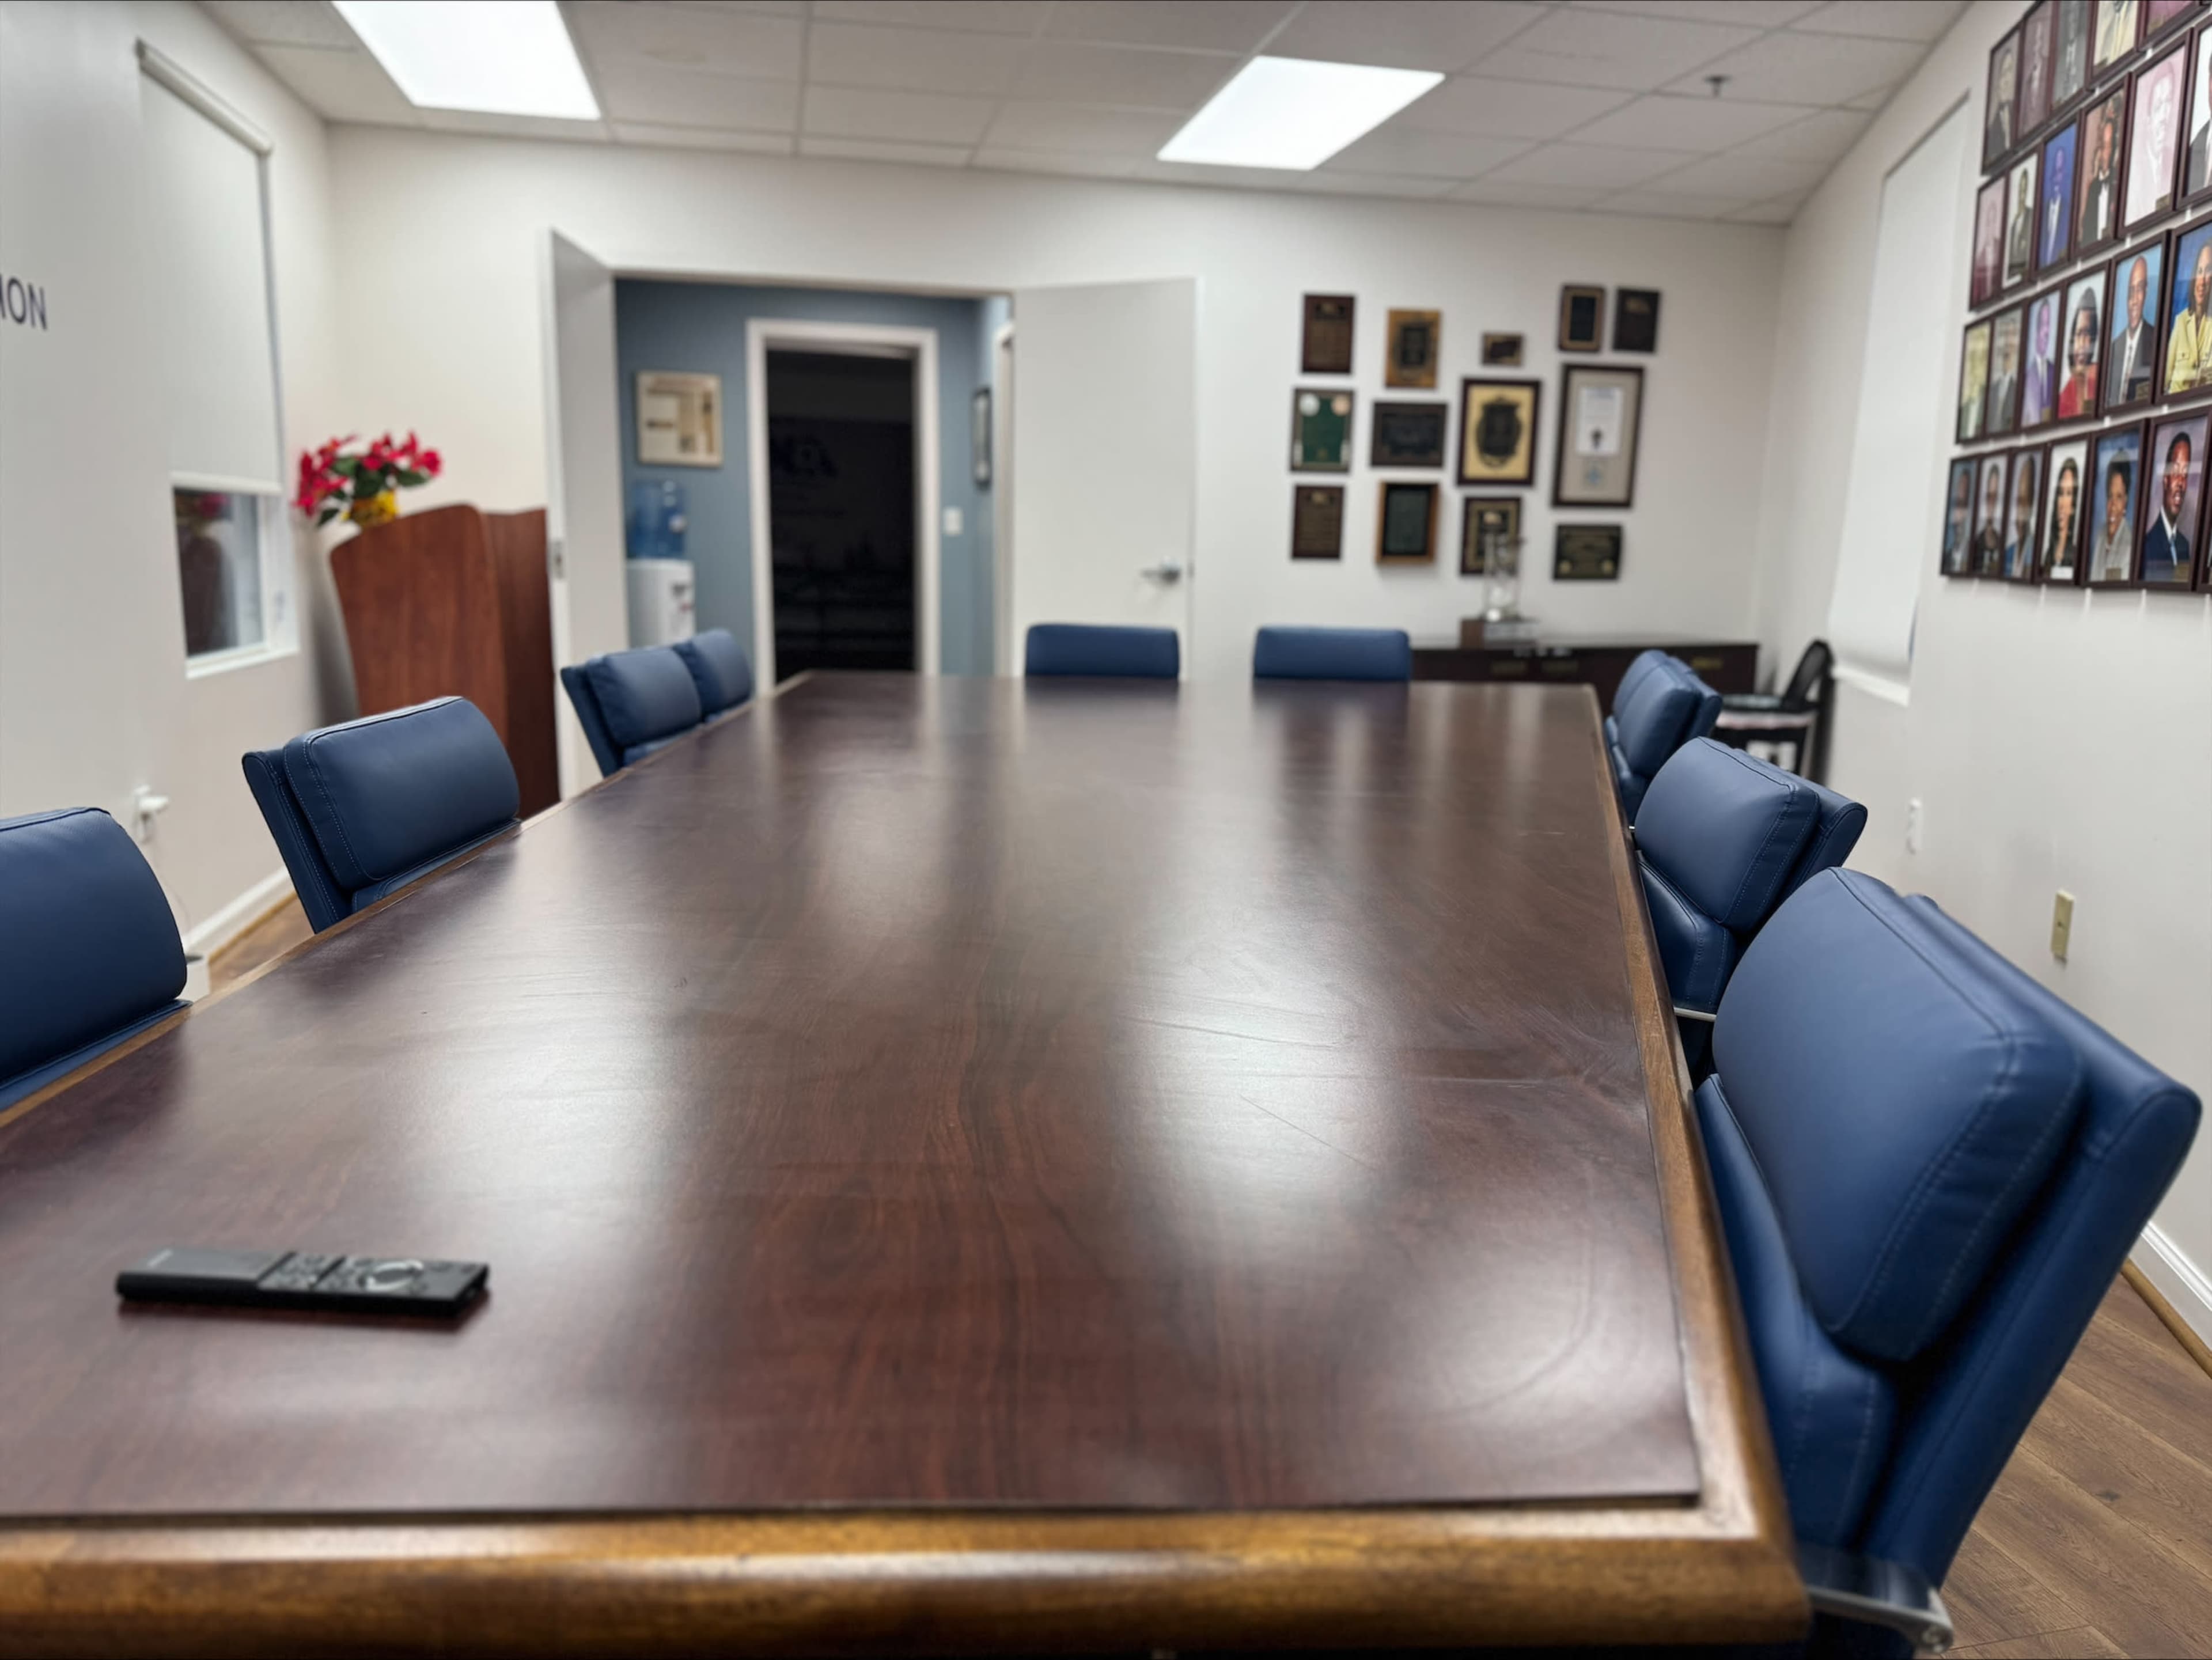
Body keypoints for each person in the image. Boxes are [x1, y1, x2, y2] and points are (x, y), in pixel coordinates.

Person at [2141, 429, 2195, 582]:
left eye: (2185, 474)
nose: (2180, 483)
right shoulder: (2148, 544)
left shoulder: (2184, 545)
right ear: (2165, 479)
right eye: (2176, 471)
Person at [2166, 240, 2212, 394]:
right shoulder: (2180, 321)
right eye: (2199, 271)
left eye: (2208, 271)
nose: (2202, 281)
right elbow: (2164, 382)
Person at [2113, 253, 2156, 403]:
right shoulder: (2114, 348)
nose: (2134, 301)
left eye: (2139, 289)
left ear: (2146, 292)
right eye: (2131, 291)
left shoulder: (2157, 341)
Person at [2079, 102, 2118, 245]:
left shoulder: (2119, 183)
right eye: (2102, 145)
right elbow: (2086, 233)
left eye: (2108, 146)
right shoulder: (2093, 188)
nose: (2104, 152)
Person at [2093, 450, 2135, 581]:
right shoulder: (2101, 535)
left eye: (2119, 497)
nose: (2113, 506)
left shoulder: (2130, 543)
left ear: (2126, 501)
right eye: (2110, 496)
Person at [2059, 288, 2101, 416]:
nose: (2082, 344)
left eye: (2087, 334)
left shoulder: (2103, 378)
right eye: (2078, 334)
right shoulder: (2064, 395)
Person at [2043, 454, 2082, 576]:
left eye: (2069, 493)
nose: (2063, 504)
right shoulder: (2049, 553)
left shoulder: (2076, 554)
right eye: (2061, 493)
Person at [2024, 298, 2058, 426]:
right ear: (2036, 330)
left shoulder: (2055, 371)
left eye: (2049, 325)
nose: (2047, 332)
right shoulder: (2026, 376)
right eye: (2044, 325)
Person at [2006, 461, 2040, 578]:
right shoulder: (2008, 554)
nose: (2021, 513)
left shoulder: (2037, 554)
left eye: (2025, 503)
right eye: (2019, 502)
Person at [1976, 461, 2008, 574]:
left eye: (1995, 497)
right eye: (1989, 496)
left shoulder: (2002, 544)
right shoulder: (1975, 544)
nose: (1992, 503)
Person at [1987, 44, 2017, 161]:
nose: (2006, 79)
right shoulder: (1991, 131)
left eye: (2010, 70)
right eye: (2003, 73)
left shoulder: (2019, 118)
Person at [2006, 166, 2035, 281]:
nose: (2022, 195)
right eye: (2020, 190)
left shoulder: (2031, 215)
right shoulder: (2013, 224)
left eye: (2025, 190)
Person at [1945, 466, 1975, 574]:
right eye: (1957, 504)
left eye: (1963, 505)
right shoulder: (1947, 556)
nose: (1958, 515)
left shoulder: (1975, 555)